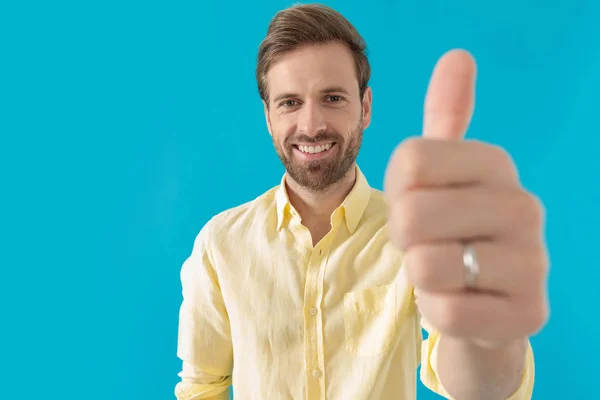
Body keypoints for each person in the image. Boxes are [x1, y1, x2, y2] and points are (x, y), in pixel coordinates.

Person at [174, 4, 549, 400]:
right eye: (289, 103)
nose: (311, 124)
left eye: (332, 97)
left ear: (365, 107)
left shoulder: (418, 235)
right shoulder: (220, 244)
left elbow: (479, 388)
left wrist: (482, 332)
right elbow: (202, 389)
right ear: (268, 117)